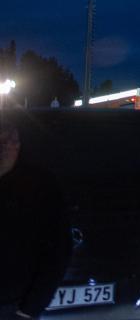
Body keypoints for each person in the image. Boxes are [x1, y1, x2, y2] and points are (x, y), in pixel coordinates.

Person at [0, 124, 72, 319]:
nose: (5, 147)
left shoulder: (40, 186)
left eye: (9, 141)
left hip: (12, 305)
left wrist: (30, 309)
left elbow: (57, 250)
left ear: (18, 144)